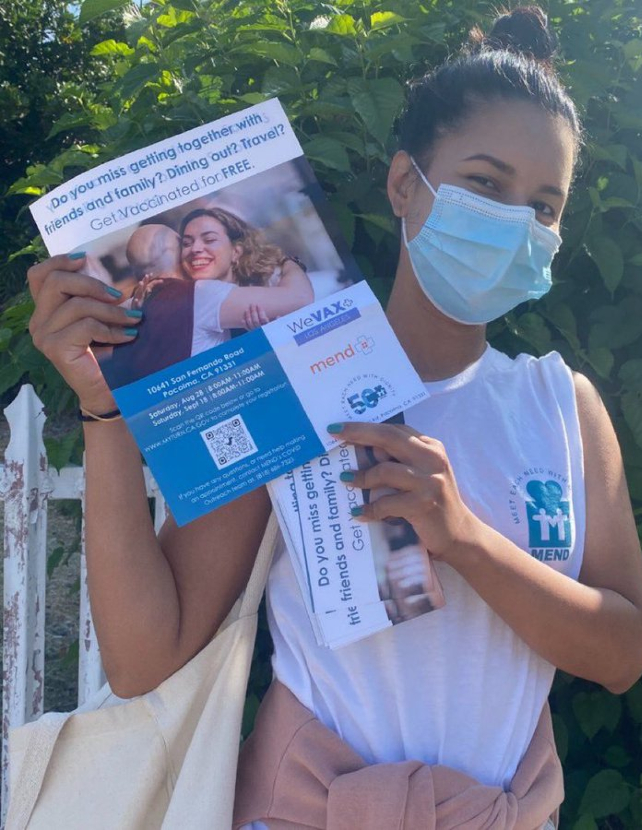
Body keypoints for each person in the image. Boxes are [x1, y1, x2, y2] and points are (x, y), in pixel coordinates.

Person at [26, 6, 642, 826]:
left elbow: (625, 654)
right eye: (485, 185)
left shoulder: (562, 405)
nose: (513, 223)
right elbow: (147, 656)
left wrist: (465, 541)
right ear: (401, 184)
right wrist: (105, 411)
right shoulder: (294, 378)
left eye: (545, 206)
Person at [99, 208, 313, 387]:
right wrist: (289, 262)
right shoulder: (200, 293)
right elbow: (301, 297)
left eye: (208, 240)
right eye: (185, 243)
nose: (195, 250)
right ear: (175, 254)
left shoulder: (133, 307)